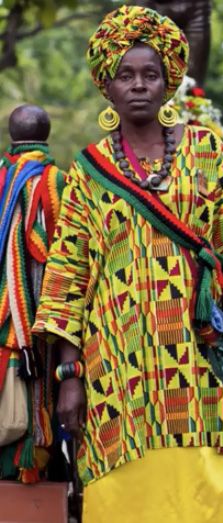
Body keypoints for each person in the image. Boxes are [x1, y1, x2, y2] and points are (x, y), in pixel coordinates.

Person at [32, 6, 223, 522]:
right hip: (117, 363)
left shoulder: (207, 152)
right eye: (126, 75)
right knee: (124, 489)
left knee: (206, 480)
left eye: (151, 74)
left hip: (196, 354)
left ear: (169, 80)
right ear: (108, 85)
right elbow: (68, 275)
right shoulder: (87, 171)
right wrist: (70, 374)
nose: (139, 85)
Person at [0, 104, 65, 482]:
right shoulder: (57, 181)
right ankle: (37, 468)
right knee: (40, 393)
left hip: (10, 314)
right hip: (39, 314)